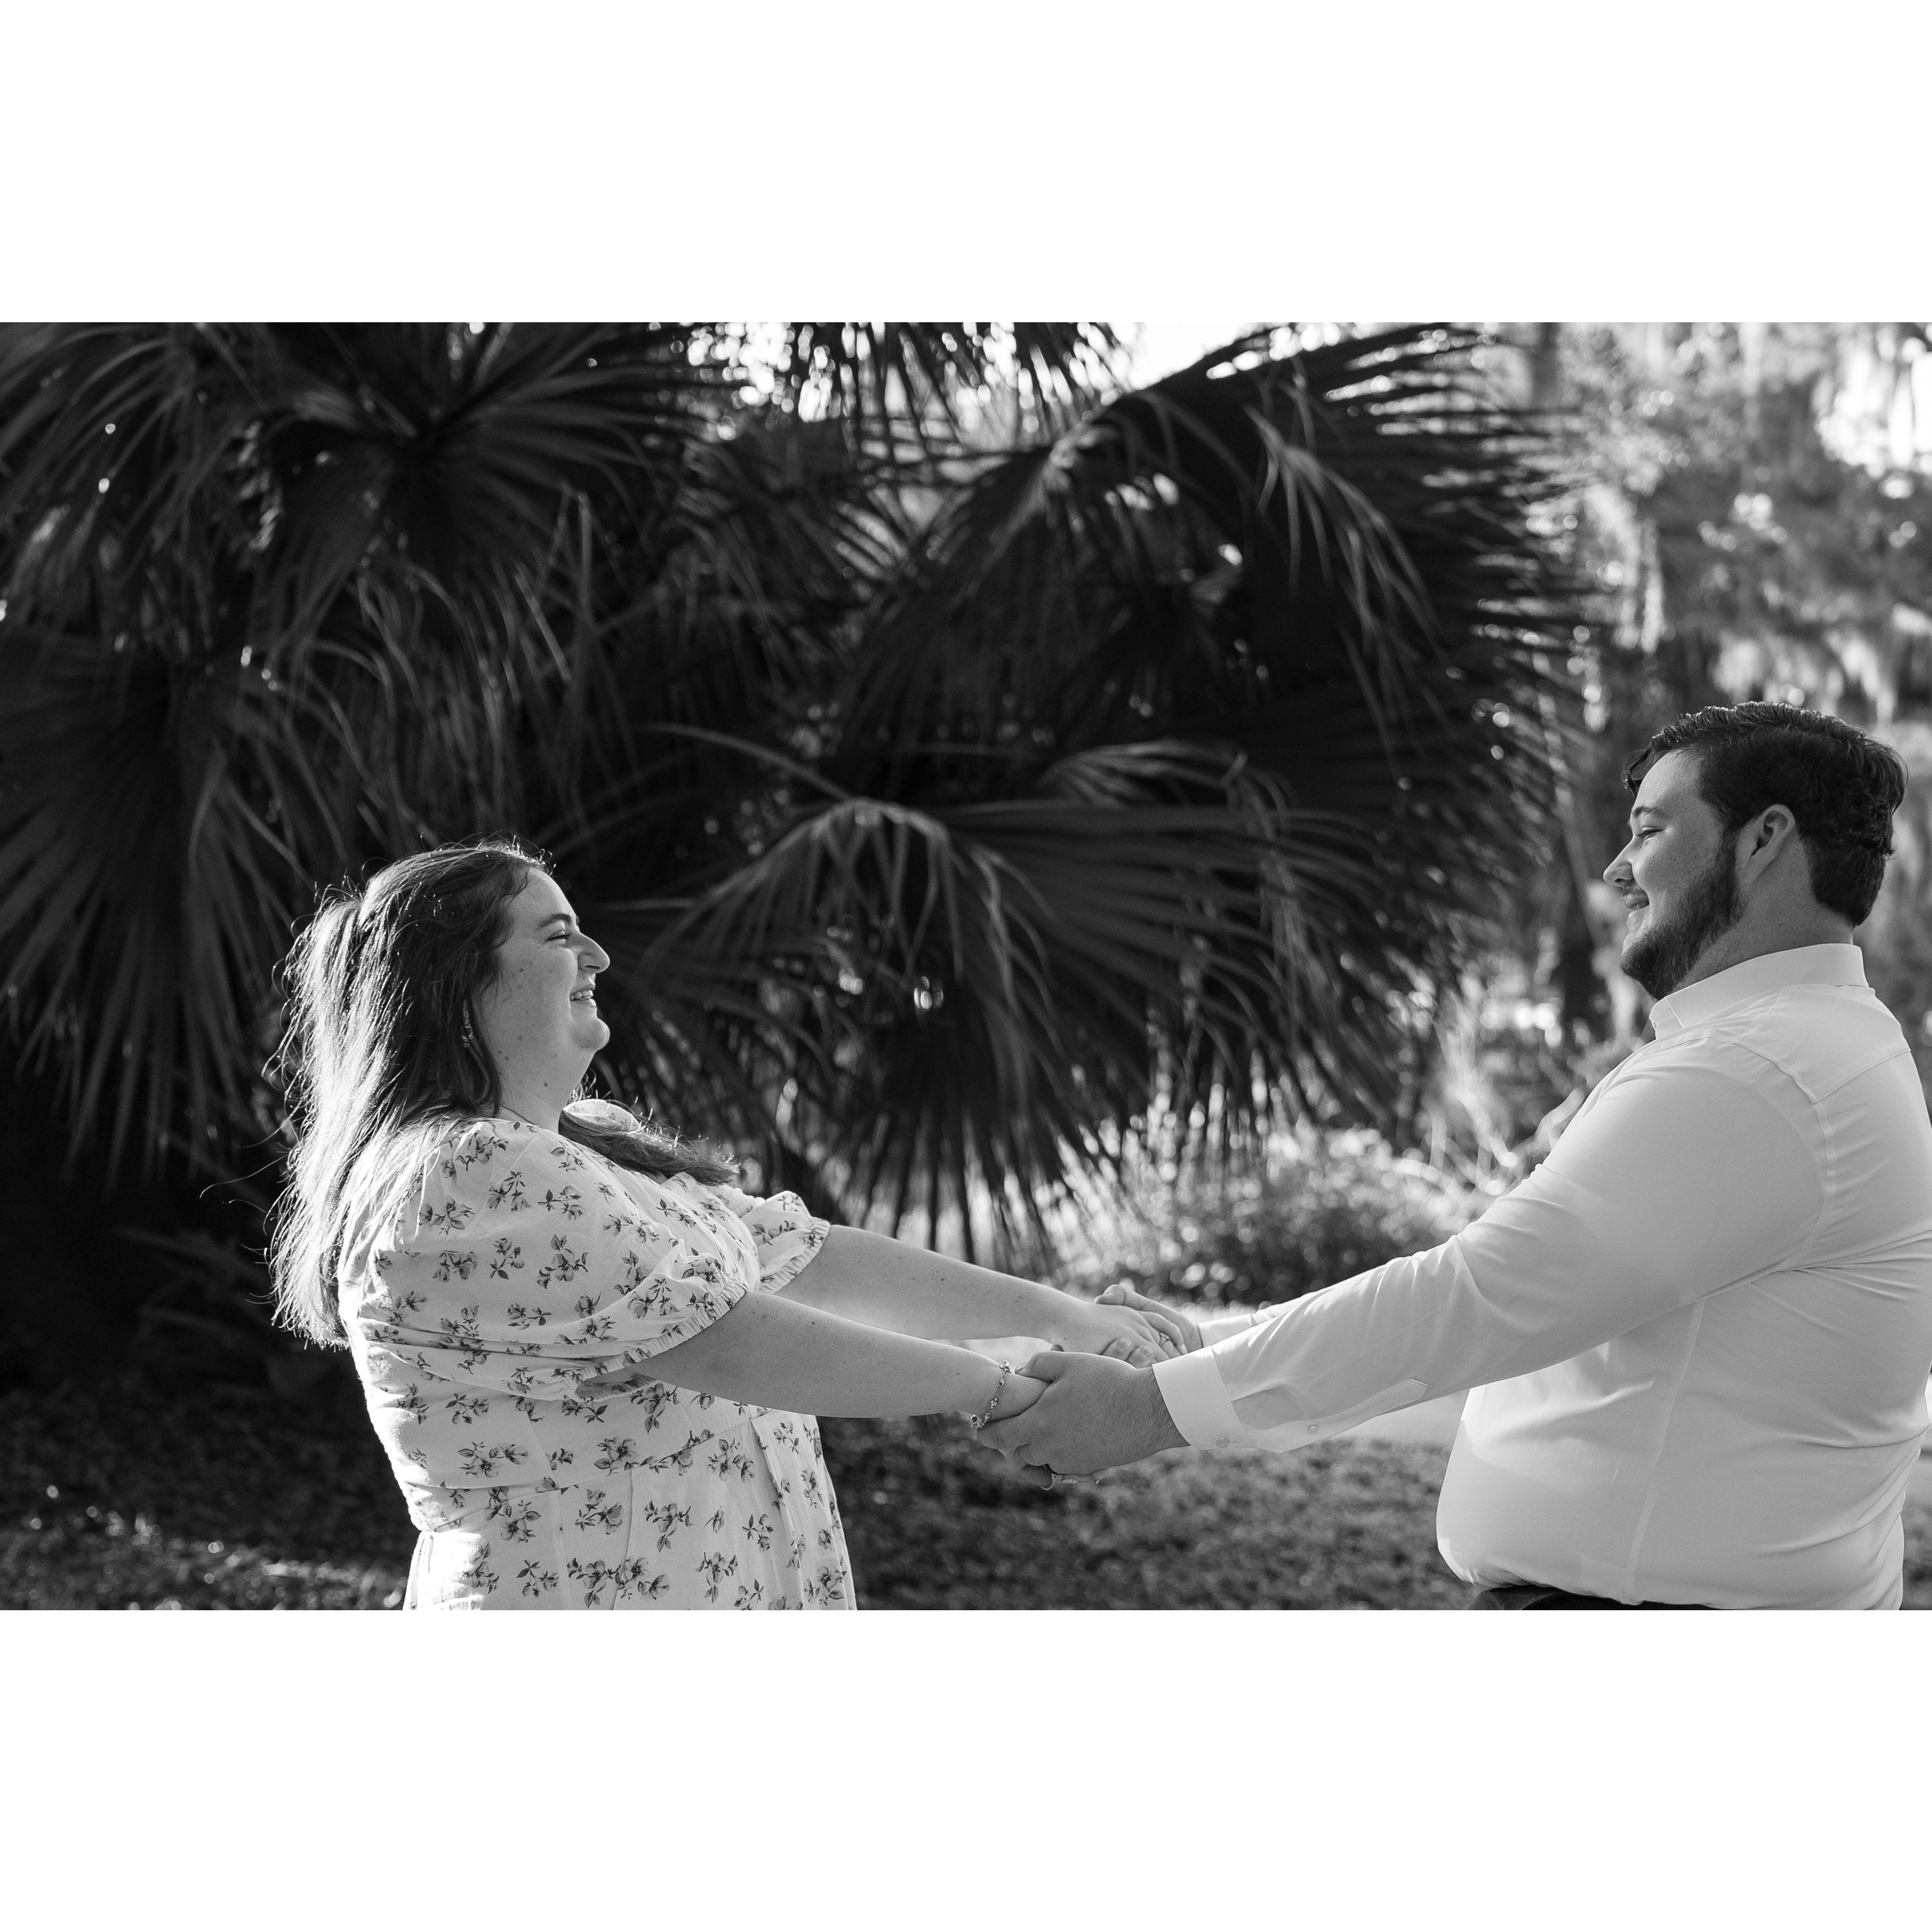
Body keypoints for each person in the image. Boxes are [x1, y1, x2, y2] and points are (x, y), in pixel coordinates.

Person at [983, 703, 1932, 1609]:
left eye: (1649, 830)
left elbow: (1473, 1297)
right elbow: (1528, 1310)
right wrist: (1208, 1345)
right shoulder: (1816, 1048)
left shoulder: (1756, 1072)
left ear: (1764, 840)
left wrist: (1156, 1405)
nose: (1616, 868)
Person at [267, 838, 1178, 1610]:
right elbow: (731, 1343)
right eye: (557, 935)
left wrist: (1064, 1316)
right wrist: (1009, 1394)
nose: (598, 956)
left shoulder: (593, 1146)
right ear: (456, 982)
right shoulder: (466, 1170)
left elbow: (811, 1259)